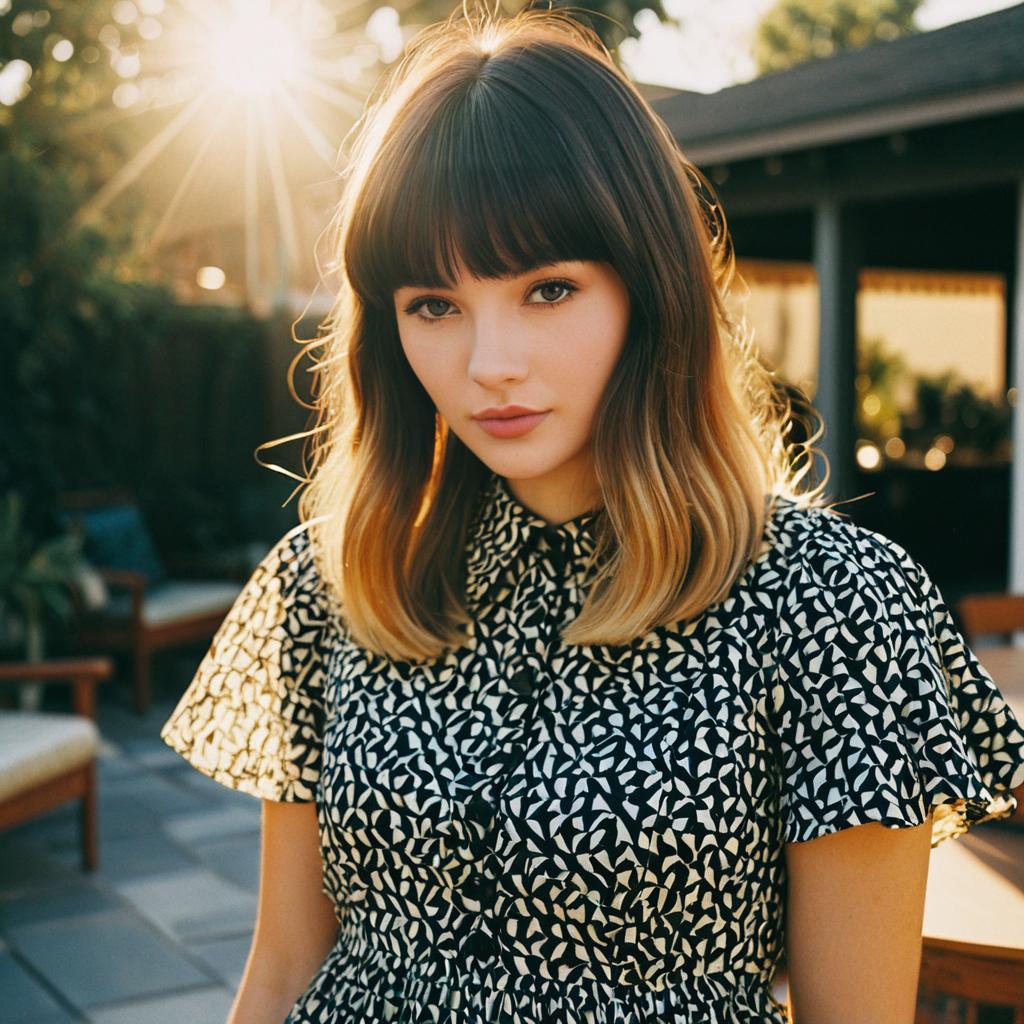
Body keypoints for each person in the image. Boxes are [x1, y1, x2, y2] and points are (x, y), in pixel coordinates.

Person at [161, 5, 1024, 1023]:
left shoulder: (831, 604)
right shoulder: (335, 577)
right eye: (433, 304)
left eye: (547, 288)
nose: (489, 366)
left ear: (649, 287)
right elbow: (281, 969)